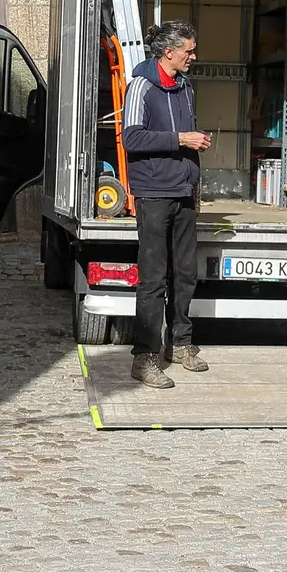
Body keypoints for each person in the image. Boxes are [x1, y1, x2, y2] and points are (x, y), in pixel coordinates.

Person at [121, 21, 212, 389]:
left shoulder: (186, 86)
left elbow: (185, 136)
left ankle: (181, 344)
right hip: (154, 193)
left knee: (186, 273)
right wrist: (181, 139)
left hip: (183, 191)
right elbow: (131, 137)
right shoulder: (141, 86)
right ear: (169, 52)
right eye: (189, 50)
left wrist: (194, 171)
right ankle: (144, 358)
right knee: (153, 279)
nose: (193, 56)